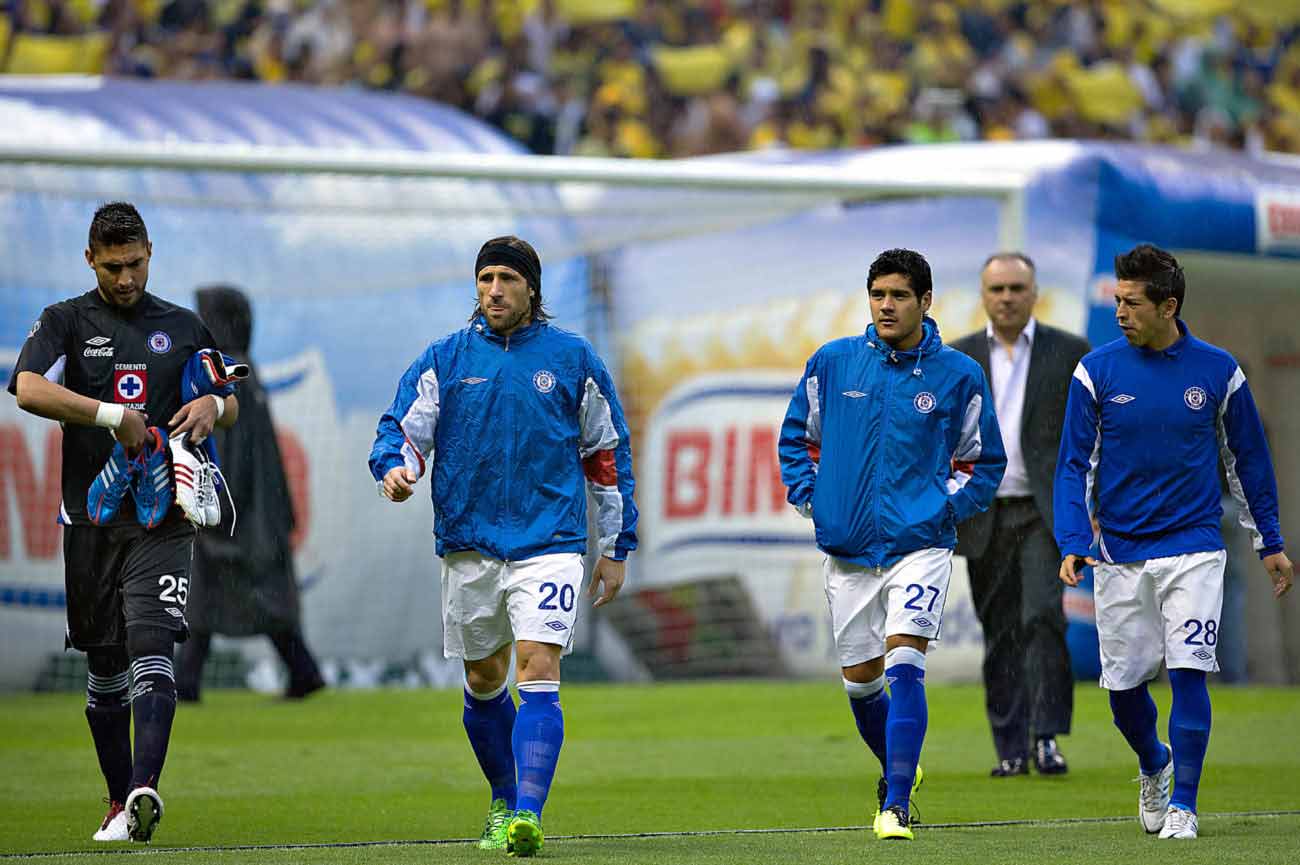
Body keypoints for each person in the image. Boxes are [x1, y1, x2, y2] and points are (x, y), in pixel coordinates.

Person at [368, 236, 637, 857]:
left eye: (507, 279)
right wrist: (396, 468)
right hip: (471, 543)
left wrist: (617, 545)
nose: (494, 289)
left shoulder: (572, 359)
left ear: (532, 290)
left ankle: (527, 814)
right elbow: (401, 430)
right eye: (486, 277)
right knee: (484, 678)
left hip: (551, 543)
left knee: (538, 670)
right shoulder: (446, 358)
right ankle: (503, 794)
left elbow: (606, 454)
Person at [7, 202, 239, 843]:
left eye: (134, 264)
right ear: (90, 260)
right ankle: (117, 801)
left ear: (150, 253)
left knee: (152, 644)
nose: (125, 278)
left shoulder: (184, 327)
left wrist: (214, 403)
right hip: (89, 518)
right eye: (112, 267)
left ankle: (145, 788)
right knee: (104, 668)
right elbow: (27, 387)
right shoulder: (65, 322)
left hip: (161, 516)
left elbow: (231, 401)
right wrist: (111, 416)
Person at [1055, 243, 1292, 840]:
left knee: (1189, 670)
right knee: (1124, 691)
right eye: (1117, 300)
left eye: (1132, 303)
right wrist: (1074, 538)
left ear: (1169, 306)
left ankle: (1184, 803)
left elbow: (1249, 462)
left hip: (1194, 547)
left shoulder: (1218, 372)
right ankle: (1153, 762)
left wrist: (1270, 542)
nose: (1120, 312)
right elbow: (1073, 464)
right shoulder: (1096, 372)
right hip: (1119, 553)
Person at [779, 248, 1006, 841]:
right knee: (861, 683)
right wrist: (817, 501)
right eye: (878, 294)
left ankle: (896, 804)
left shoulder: (958, 375)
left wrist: (942, 509)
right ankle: (899, 768)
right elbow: (796, 442)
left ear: (925, 302)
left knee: (906, 660)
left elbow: (983, 463)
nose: (886, 305)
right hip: (849, 551)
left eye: (899, 295)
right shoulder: (832, 363)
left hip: (919, 546)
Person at [951, 252, 1090, 777]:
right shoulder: (958, 358)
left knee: (1042, 619)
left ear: (1034, 293)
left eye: (1016, 288)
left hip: (1042, 512)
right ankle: (1009, 747)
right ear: (983, 296)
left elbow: (1089, 436)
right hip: (982, 511)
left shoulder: (1070, 352)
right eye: (997, 289)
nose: (1006, 297)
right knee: (1000, 629)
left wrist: (1088, 506)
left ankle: (1047, 738)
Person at [173, 285, 326, 703]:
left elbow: (233, 454)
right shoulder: (245, 368)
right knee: (245, 599)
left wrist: (212, 505)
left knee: (209, 597)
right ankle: (301, 672)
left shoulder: (226, 373)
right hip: (260, 514)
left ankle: (187, 683)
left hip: (238, 514)